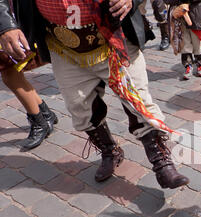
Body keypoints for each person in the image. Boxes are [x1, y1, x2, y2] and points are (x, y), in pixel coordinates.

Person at [0, 0, 189, 189]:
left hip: (112, 36)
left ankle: (161, 163)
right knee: (79, 106)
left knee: (138, 101)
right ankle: (110, 150)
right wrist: (5, 25)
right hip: (62, 45)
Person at [0, 1, 57, 150]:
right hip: (6, 20)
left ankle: (39, 122)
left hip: (6, 23)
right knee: (11, 74)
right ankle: (44, 113)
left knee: (10, 74)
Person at [165, 0, 201, 80]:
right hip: (178, 14)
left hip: (195, 12)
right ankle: (188, 65)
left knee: (197, 42)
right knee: (184, 42)